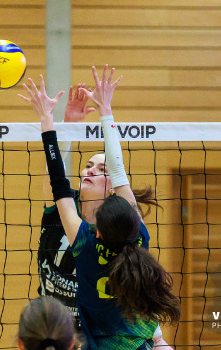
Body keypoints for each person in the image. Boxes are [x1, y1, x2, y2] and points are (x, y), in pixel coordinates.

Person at [19, 66, 180, 349]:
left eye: (101, 169)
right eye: (88, 165)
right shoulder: (134, 234)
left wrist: (48, 121)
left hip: (91, 337)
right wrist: (70, 125)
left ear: (113, 190)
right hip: (56, 331)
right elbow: (67, 177)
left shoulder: (85, 238)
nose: (90, 170)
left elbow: (58, 178)